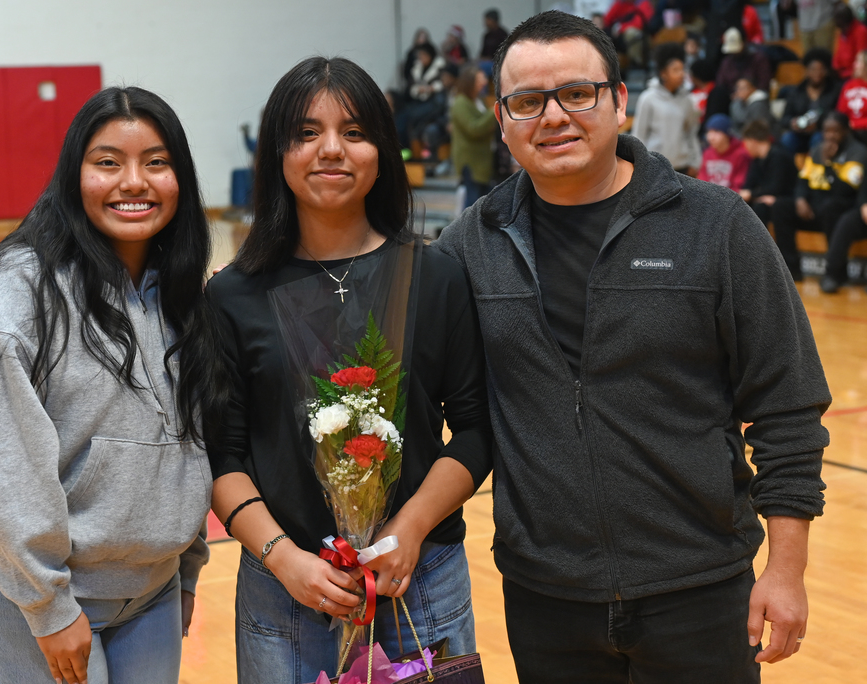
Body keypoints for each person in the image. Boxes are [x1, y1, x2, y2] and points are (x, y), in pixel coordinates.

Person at [436, 11, 829, 683]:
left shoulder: (717, 226)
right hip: (546, 598)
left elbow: (786, 406)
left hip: (701, 589)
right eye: (527, 102)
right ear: (502, 122)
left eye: (577, 93)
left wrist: (786, 571)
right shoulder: (469, 247)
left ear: (620, 102)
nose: (553, 116)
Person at [206, 56, 491, 684]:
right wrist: (285, 561)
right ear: (277, 153)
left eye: (354, 132)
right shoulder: (232, 295)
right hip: (285, 591)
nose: (330, 149)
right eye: (306, 133)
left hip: (418, 577)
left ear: (383, 151)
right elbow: (221, 458)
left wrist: (406, 530)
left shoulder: (437, 276)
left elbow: (473, 430)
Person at [0, 87, 226, 684]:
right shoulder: (17, 289)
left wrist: (186, 570)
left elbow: (193, 445)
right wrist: (49, 605)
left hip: (150, 596)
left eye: (157, 162)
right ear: (74, 176)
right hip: (28, 600)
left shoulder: (187, 296)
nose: (134, 182)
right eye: (108, 162)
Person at [772, 110, 867, 281]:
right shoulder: (817, 150)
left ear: (846, 130)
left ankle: (836, 273)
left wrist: (829, 164)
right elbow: (802, 181)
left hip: (838, 208)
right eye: (826, 131)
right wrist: (800, 199)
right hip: (812, 208)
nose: (830, 135)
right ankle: (791, 270)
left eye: (835, 131)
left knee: (831, 207)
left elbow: (846, 190)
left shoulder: (858, 153)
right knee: (780, 207)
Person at [630, 42, 702, 175]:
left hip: (682, 166)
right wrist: (639, 165)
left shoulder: (687, 100)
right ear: (663, 73)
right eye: (675, 70)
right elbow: (639, 135)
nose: (681, 74)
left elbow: (691, 132)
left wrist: (695, 161)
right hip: (656, 167)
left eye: (682, 69)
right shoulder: (648, 98)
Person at [451, 63, 498, 208]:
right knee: (472, 203)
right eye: (480, 79)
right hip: (470, 160)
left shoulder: (479, 101)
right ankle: (467, 231)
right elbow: (473, 129)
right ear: (470, 82)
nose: (484, 82)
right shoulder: (460, 103)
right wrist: (492, 113)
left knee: (484, 202)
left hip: (483, 158)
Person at [780, 48, 841, 154]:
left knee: (818, 139)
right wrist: (793, 123)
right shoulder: (797, 91)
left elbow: (837, 116)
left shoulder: (834, 91)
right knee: (787, 139)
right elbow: (784, 118)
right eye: (813, 69)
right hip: (799, 133)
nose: (817, 73)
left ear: (826, 72)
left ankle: (816, 169)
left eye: (820, 69)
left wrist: (817, 125)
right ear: (807, 71)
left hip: (821, 132)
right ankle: (789, 169)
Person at [740, 118, 799, 226]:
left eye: (745, 143)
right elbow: (748, 186)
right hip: (769, 201)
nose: (745, 148)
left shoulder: (779, 155)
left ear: (752, 141)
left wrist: (752, 194)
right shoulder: (756, 160)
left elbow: (776, 188)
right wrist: (751, 194)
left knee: (762, 208)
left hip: (787, 200)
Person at [699, 113, 752, 191]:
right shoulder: (707, 153)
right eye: (709, 131)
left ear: (727, 134)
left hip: (731, 198)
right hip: (708, 197)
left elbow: (739, 183)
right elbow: (702, 179)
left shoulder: (741, 154)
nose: (711, 137)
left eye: (716, 132)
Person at [604, 0, 654, 68]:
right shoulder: (620, 3)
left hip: (643, 36)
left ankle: (637, 63)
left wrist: (620, 28)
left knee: (631, 33)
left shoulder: (642, 3)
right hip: (620, 37)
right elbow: (607, 20)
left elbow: (639, 23)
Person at [837, 50, 867, 143]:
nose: (854, 65)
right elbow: (840, 112)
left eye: (858, 61)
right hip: (848, 130)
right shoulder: (849, 85)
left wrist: (855, 124)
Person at [832, 4, 867, 79]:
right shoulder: (843, 31)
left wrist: (846, 73)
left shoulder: (861, 31)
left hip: (854, 74)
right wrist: (835, 68)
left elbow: (861, 59)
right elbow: (838, 55)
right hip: (842, 73)